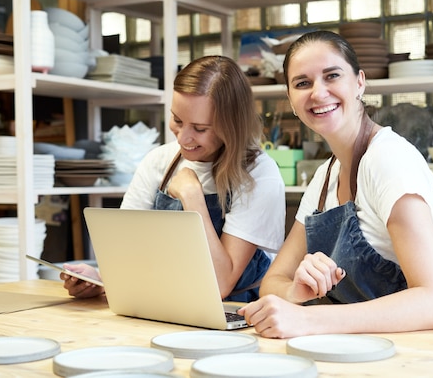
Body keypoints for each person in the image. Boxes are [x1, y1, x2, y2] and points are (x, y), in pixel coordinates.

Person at [238, 30, 433, 337]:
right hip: (375, 346)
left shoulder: (388, 159)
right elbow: (274, 281)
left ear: (359, 82)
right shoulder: (325, 175)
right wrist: (294, 293)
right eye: (302, 83)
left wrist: (308, 320)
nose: (318, 92)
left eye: (332, 76)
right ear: (290, 98)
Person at [62, 55, 286, 303]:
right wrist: (103, 280)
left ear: (231, 125)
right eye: (177, 120)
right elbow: (127, 251)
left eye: (200, 129)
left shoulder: (259, 174)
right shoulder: (159, 161)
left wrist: (193, 200)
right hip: (166, 302)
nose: (182, 139)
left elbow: (220, 283)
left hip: (239, 313)